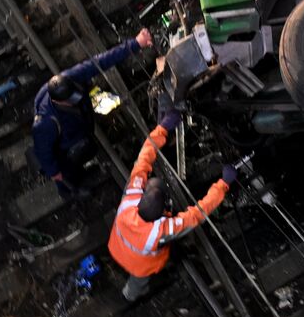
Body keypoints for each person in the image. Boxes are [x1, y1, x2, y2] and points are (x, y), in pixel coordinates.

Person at [108, 107, 236, 301]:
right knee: (139, 279)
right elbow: (198, 214)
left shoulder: (130, 198)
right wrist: (223, 185)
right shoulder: (160, 231)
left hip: (117, 246)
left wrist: (163, 128)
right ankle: (131, 294)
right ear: (162, 213)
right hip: (140, 265)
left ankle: (129, 294)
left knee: (137, 269)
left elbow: (143, 160)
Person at [32, 29, 153, 196]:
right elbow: (43, 151)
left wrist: (135, 44)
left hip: (81, 129)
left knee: (86, 148)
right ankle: (71, 192)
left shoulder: (69, 78)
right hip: (67, 148)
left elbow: (99, 62)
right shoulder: (45, 123)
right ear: (58, 101)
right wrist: (54, 172)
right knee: (67, 173)